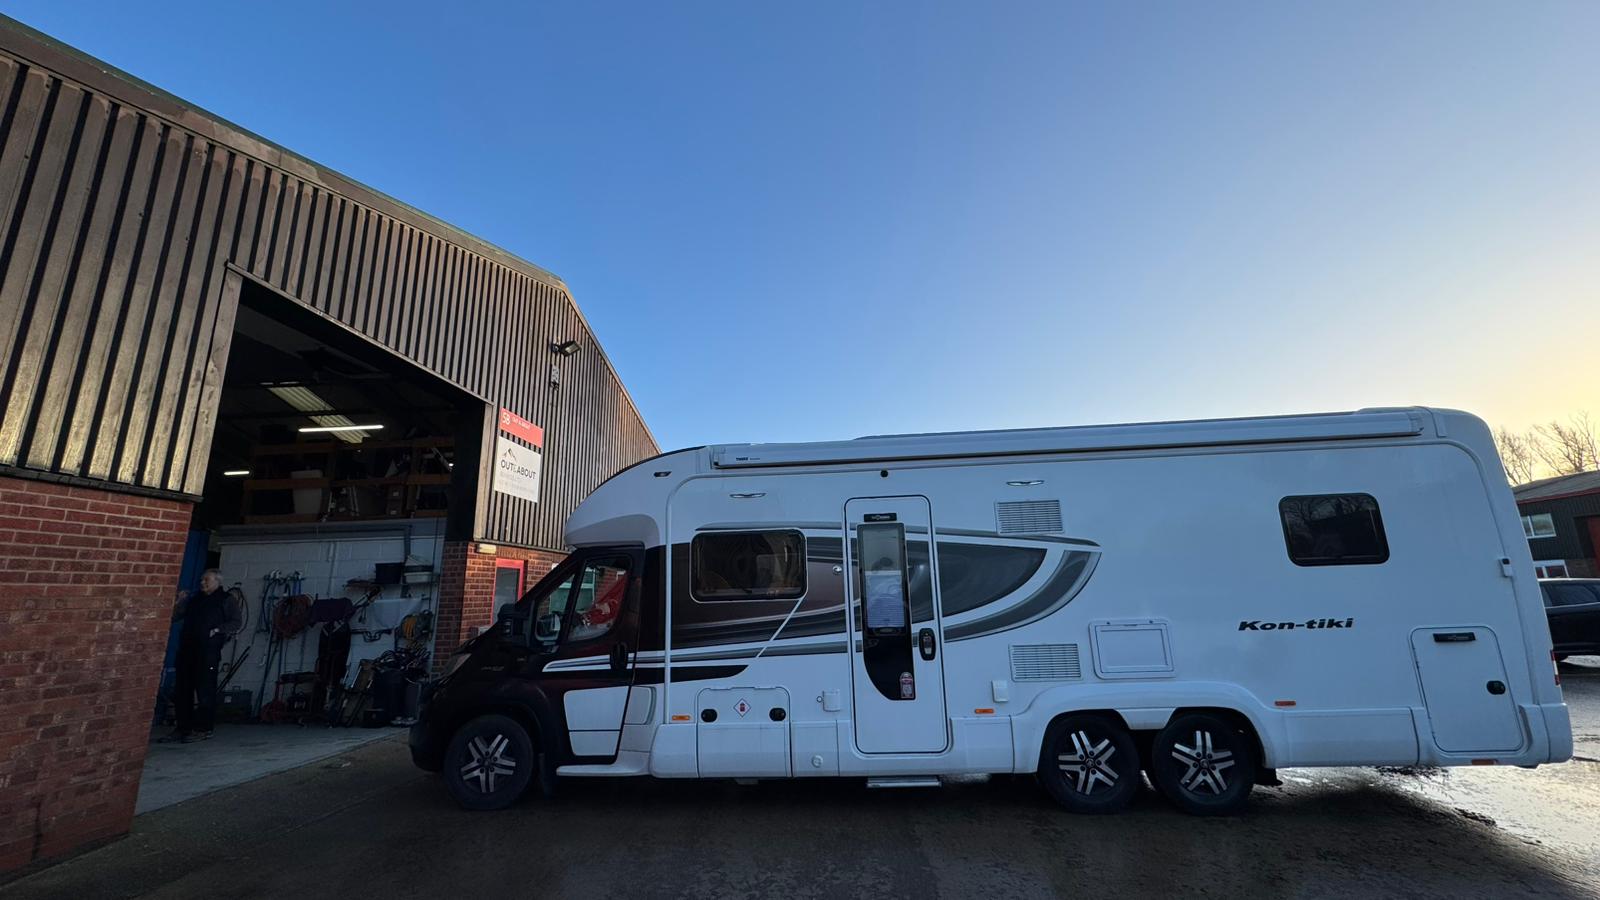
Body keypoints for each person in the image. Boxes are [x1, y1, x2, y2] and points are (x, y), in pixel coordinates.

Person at [158, 570, 240, 744]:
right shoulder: (195, 600)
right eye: (201, 579)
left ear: (217, 581)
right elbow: (174, 617)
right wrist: (179, 601)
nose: (202, 583)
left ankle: (203, 729)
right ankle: (183, 727)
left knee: (205, 691)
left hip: (208, 652)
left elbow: (236, 622)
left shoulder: (226, 600)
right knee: (182, 690)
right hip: (187, 650)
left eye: (206, 580)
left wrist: (217, 630)